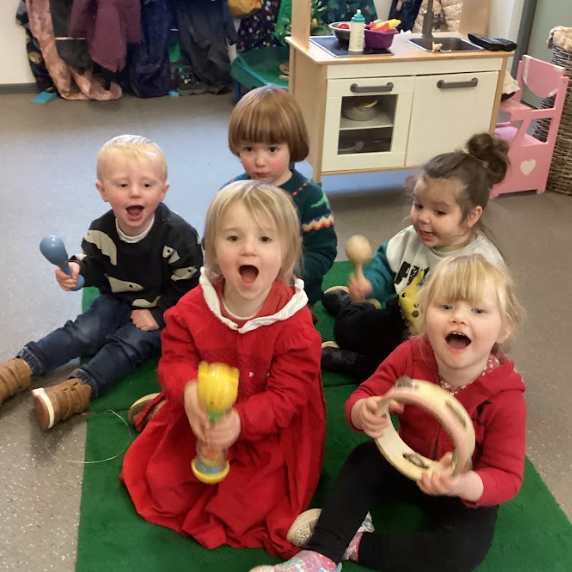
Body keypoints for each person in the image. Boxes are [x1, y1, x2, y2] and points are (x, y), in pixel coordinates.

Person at [251, 253, 526, 572]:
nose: (459, 319)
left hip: (463, 486)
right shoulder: (411, 354)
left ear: (504, 328)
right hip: (406, 460)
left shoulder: (504, 396)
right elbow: (364, 396)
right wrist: (364, 412)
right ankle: (322, 555)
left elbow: (506, 475)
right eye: (446, 306)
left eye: (478, 311)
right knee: (364, 459)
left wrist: (463, 484)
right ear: (424, 315)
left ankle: (356, 545)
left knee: (463, 550)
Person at [121, 180, 326, 558]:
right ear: (213, 250)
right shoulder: (195, 306)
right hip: (206, 412)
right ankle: (164, 403)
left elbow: (288, 398)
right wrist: (188, 391)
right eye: (233, 238)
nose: (248, 248)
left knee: (248, 508)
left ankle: (164, 407)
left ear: (286, 252)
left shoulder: (295, 325)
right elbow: (176, 360)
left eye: (265, 239)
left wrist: (240, 422)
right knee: (164, 484)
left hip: (267, 425)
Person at [0, 135, 203, 429]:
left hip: (163, 307)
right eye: (123, 185)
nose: (135, 193)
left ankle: (77, 391)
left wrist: (159, 315)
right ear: (103, 191)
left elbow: (192, 289)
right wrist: (77, 271)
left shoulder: (180, 236)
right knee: (82, 331)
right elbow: (94, 263)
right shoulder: (101, 230)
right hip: (117, 298)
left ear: (163, 191)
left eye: (147, 185)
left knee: (128, 345)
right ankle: (18, 369)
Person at [322, 132, 510, 382]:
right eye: (419, 205)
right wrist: (370, 284)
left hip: (442, 340)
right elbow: (388, 265)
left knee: (400, 375)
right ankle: (350, 305)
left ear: (471, 216)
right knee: (347, 330)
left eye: (439, 212)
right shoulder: (413, 237)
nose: (423, 218)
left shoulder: (482, 265)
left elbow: (492, 319)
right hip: (402, 317)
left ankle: (353, 361)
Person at [227, 85, 337, 310]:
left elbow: (323, 252)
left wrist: (285, 273)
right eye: (248, 149)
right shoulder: (230, 193)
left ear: (292, 146)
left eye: (272, 149)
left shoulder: (311, 198)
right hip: (244, 290)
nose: (260, 161)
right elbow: (214, 241)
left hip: (294, 295)